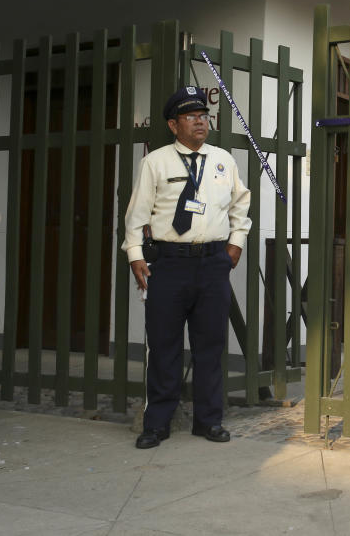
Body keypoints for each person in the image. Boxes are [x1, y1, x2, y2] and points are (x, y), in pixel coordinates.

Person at [122, 86, 251, 449]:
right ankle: (157, 423)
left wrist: (235, 243)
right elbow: (137, 213)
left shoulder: (223, 160)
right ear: (173, 124)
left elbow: (241, 204)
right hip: (170, 263)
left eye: (204, 115)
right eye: (192, 117)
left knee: (210, 346)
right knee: (164, 347)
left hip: (212, 264)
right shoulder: (156, 162)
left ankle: (208, 422)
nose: (200, 121)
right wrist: (135, 254)